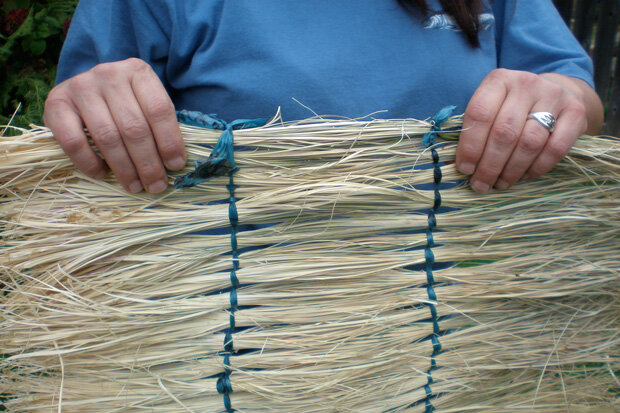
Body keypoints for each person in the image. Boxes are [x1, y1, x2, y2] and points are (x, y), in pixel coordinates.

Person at [44, 0, 604, 195]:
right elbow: (86, 124)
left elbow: (575, 96)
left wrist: (557, 100)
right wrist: (92, 102)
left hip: (468, 331)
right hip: (234, 339)